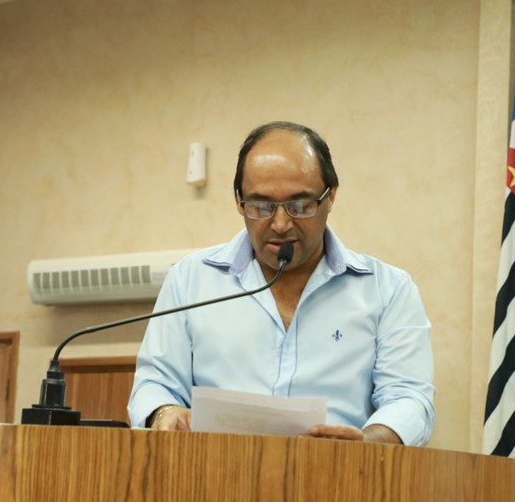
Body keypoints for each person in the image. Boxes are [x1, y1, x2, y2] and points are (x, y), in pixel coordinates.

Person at [128, 121, 435, 445]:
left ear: (331, 196)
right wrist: (165, 412)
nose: (280, 223)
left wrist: (366, 444)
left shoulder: (388, 290)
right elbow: (154, 383)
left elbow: (409, 399)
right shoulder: (191, 280)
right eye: (261, 206)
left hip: (340, 470)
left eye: (299, 206)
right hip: (216, 467)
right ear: (238, 201)